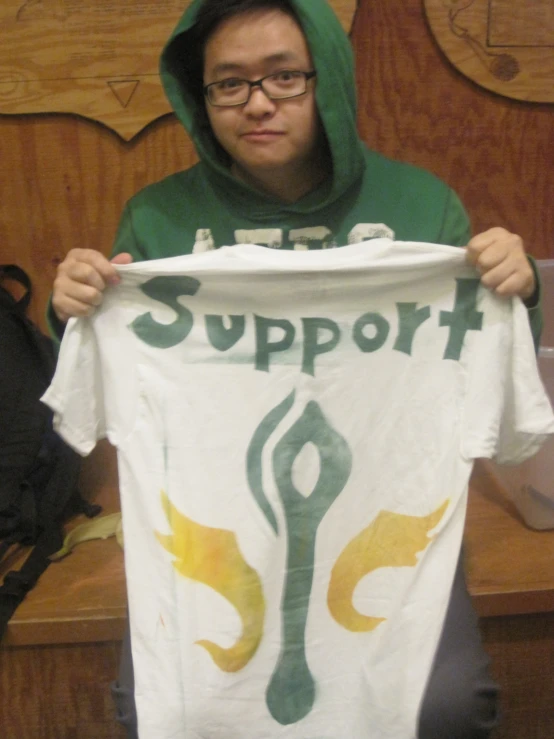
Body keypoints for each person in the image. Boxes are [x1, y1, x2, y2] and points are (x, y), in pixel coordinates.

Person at [49, 1, 542, 736]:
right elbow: (114, 367)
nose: (257, 103)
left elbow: (481, 364)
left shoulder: (421, 205)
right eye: (229, 84)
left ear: (329, 81)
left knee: (447, 707)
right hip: (215, 519)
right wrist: (76, 309)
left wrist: (516, 289)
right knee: (162, 705)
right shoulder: (156, 217)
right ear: (199, 95)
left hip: (384, 510)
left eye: (285, 78)